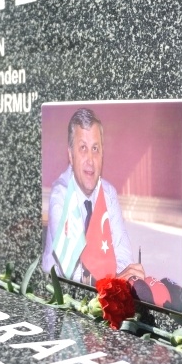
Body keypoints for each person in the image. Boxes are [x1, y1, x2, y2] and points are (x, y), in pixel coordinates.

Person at [42, 108, 145, 285]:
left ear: (102, 154)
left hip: (100, 291)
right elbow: (73, 274)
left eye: (95, 148)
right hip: (55, 292)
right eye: (83, 148)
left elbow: (124, 257)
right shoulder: (61, 194)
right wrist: (114, 282)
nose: (90, 160)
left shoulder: (108, 193)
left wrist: (117, 280)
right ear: (70, 155)